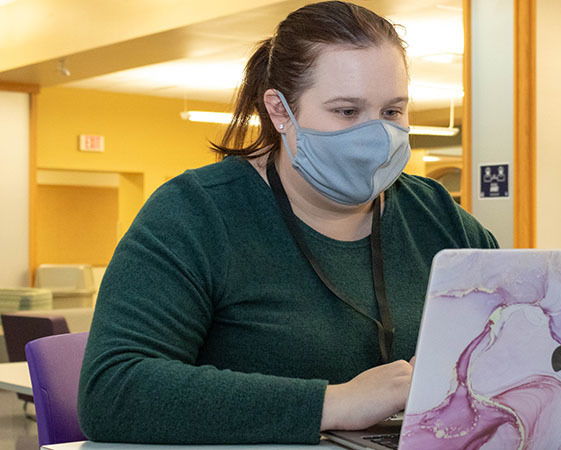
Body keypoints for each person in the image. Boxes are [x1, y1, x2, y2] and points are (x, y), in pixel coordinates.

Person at [77, 1, 497, 445]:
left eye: (392, 112)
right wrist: (333, 402)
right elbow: (114, 390)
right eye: (347, 111)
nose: (376, 136)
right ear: (280, 111)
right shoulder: (195, 214)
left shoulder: (438, 216)